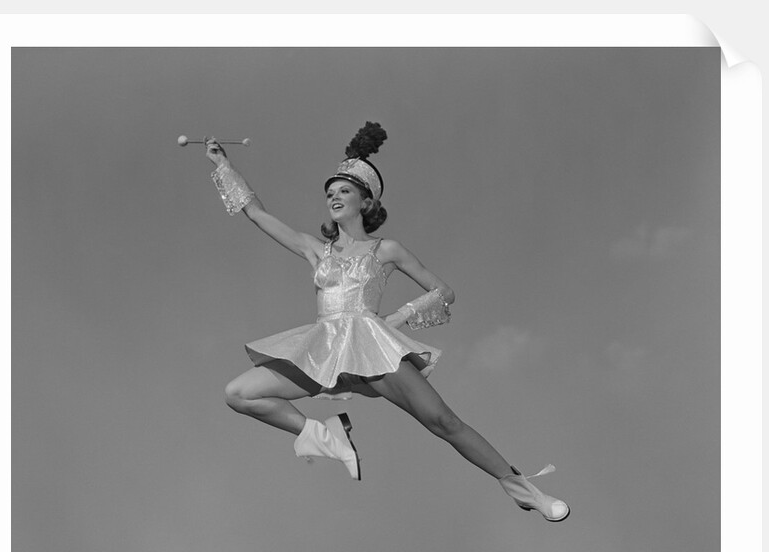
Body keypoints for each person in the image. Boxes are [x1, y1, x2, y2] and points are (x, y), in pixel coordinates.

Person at [207, 123, 569, 522]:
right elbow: (257, 214)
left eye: (343, 191)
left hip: (371, 348)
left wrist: (396, 318)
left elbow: (444, 291)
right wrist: (224, 166)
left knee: (444, 422)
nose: (333, 197)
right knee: (239, 393)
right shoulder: (316, 250)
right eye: (329, 192)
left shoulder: (386, 250)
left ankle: (524, 490)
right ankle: (323, 436)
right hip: (324, 350)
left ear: (365, 201)